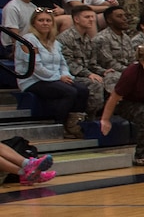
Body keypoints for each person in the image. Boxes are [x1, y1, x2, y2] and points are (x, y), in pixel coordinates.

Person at [13, 7, 88, 137]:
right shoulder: (28, 40)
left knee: (83, 90)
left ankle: (73, 124)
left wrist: (65, 75)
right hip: (33, 80)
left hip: (55, 78)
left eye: (48, 20)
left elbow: (62, 63)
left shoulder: (54, 42)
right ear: (34, 23)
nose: (45, 23)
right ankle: (58, 124)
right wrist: (59, 77)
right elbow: (36, 67)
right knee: (69, 91)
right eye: (41, 20)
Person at [57, 7, 110, 112]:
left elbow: (92, 63)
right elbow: (69, 63)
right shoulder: (65, 38)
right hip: (71, 75)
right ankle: (87, 117)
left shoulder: (88, 39)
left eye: (92, 17)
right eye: (87, 17)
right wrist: (88, 74)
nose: (91, 20)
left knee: (112, 78)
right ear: (76, 19)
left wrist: (103, 72)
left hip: (85, 73)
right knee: (95, 84)